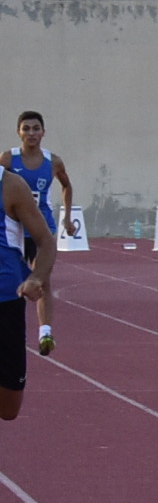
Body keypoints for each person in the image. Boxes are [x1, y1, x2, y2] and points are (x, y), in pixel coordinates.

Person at [9, 112, 71, 355]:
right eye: (26, 128)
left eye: (36, 128)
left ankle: (45, 333)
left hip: (41, 230)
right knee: (10, 280)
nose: (31, 133)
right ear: (19, 132)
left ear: (43, 132)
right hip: (15, 230)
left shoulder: (53, 162)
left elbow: (66, 184)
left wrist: (67, 217)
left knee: (42, 279)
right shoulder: (8, 159)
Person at [0, 165, 53, 420]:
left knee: (9, 408)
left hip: (5, 299)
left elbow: (46, 242)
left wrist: (36, 277)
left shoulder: (11, 185)